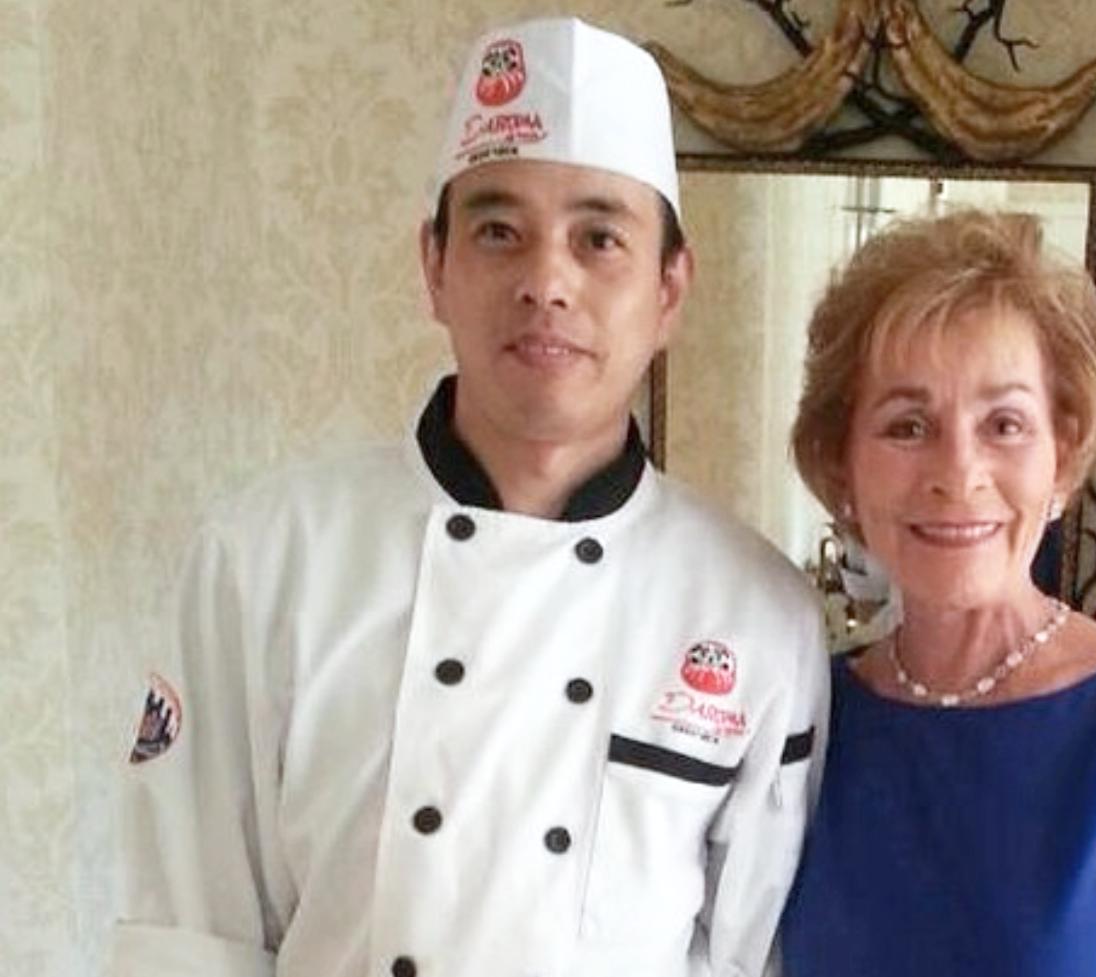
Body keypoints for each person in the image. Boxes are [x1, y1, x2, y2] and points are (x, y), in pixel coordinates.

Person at [108, 16, 828, 977]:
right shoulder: (263, 558)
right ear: (434, 267)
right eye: (498, 230)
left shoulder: (758, 611)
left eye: (599, 237)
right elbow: (187, 937)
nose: (546, 281)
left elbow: (752, 957)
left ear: (669, 290)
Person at [777, 209, 1096, 976]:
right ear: (841, 467)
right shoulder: (812, 715)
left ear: (1062, 459)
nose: (957, 471)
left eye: (1003, 423)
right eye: (907, 425)